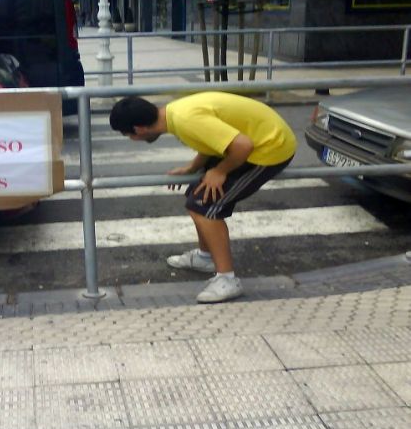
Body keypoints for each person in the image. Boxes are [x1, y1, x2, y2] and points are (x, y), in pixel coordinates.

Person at [109, 92, 297, 303]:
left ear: (139, 129)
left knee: (205, 207)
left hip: (269, 147)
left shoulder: (186, 120)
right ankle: (206, 257)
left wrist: (220, 171)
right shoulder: (173, 114)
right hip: (254, 139)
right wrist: (192, 168)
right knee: (196, 197)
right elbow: (211, 140)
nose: (132, 140)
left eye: (128, 135)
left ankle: (227, 280)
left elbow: (243, 146)